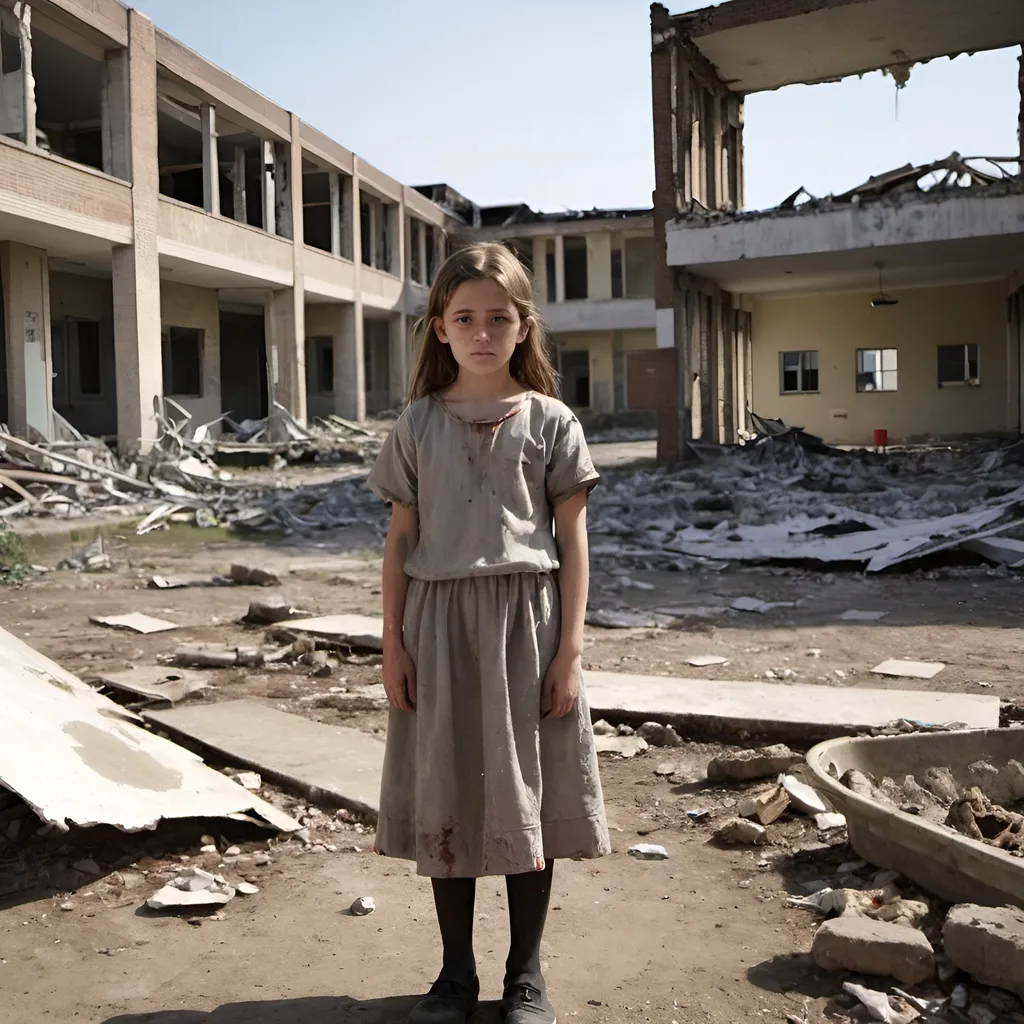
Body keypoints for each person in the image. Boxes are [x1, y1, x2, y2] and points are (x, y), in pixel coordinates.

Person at [367, 241, 610, 1024]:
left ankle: (526, 976)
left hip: (527, 628)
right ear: (439, 328)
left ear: (522, 326)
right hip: (437, 629)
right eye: (464, 317)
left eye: (497, 318)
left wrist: (570, 651)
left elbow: (573, 543)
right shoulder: (416, 425)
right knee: (449, 790)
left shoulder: (552, 422)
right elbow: (400, 541)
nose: (481, 332)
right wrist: (392, 642)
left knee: (521, 797)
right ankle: (453, 976)